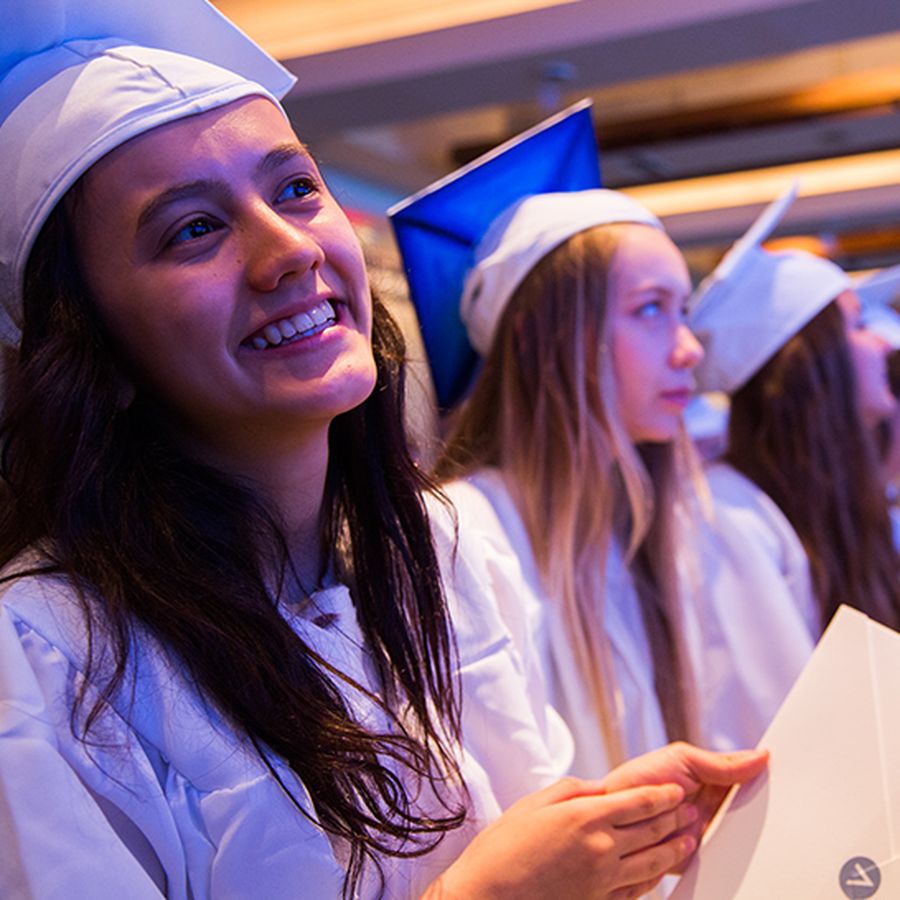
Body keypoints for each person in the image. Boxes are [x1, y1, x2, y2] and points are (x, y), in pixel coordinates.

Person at [0, 2, 768, 898]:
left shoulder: (432, 555)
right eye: (193, 229)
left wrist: (602, 838)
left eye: (295, 188)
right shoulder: (48, 663)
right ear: (94, 349)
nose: (290, 250)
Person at [391, 118, 709, 781]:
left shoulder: (636, 530)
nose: (690, 349)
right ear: (548, 335)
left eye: (684, 312)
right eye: (651, 309)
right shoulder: (458, 537)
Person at [687, 185, 900, 748]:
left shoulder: (828, 504)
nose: (881, 344)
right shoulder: (730, 517)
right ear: (811, 366)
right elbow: (790, 733)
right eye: (855, 324)